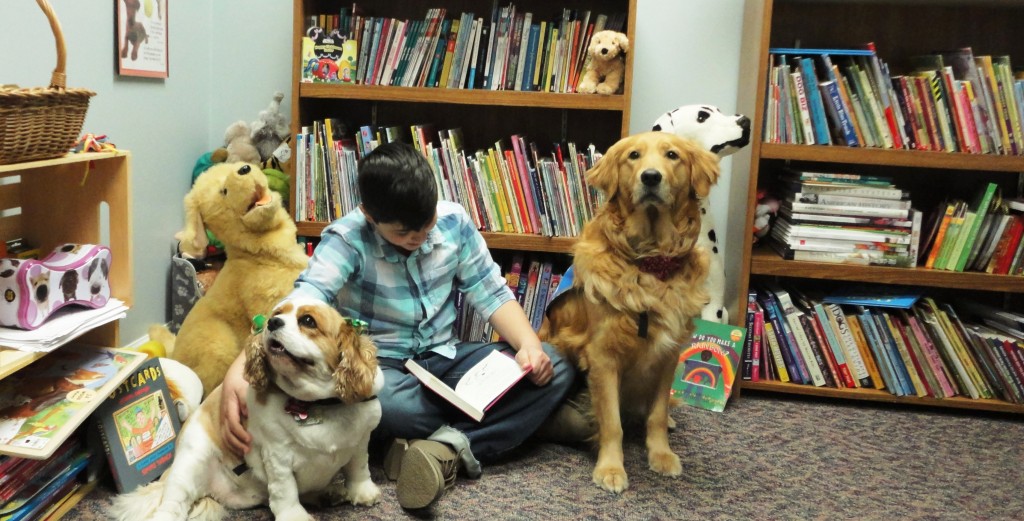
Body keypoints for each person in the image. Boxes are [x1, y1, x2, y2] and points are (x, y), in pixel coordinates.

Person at [218, 141, 578, 510]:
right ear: (369, 216)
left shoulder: (455, 221)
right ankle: (506, 424)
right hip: (386, 371)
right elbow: (304, 298)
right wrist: (240, 369)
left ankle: (444, 447)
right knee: (373, 403)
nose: (418, 237)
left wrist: (529, 346)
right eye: (404, 231)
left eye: (426, 224)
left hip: (446, 357)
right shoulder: (346, 238)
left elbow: (492, 293)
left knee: (559, 363)